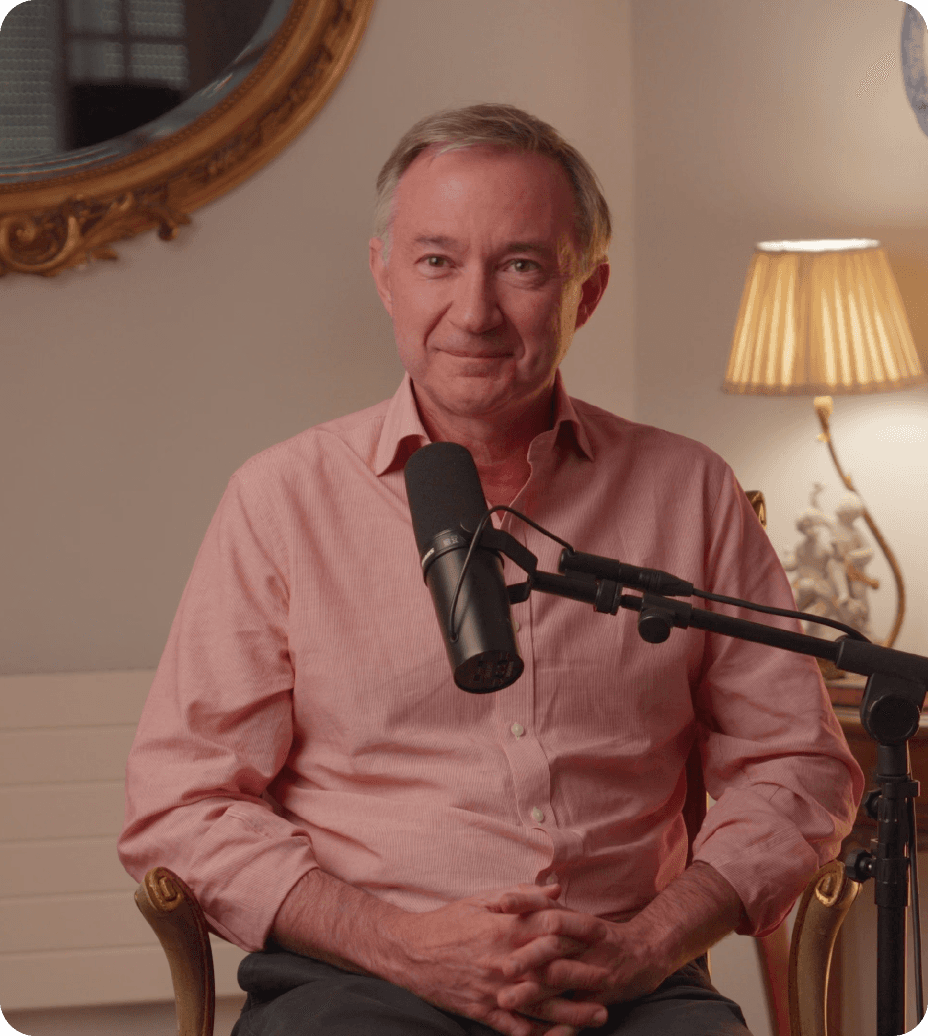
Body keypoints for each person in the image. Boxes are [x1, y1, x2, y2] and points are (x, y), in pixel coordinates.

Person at [119, 104, 863, 1036]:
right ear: (384, 275)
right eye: (437, 261)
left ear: (587, 292)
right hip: (360, 983)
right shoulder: (281, 499)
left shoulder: (690, 490)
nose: (473, 313)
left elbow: (797, 764)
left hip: (630, 983)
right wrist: (395, 943)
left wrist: (650, 942)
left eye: (521, 267)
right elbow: (181, 801)